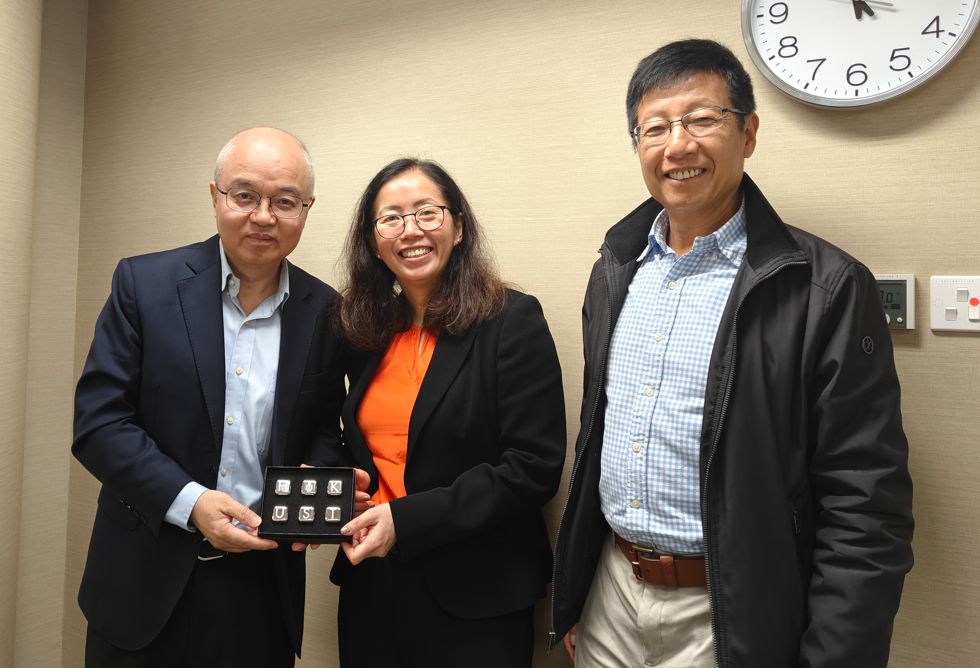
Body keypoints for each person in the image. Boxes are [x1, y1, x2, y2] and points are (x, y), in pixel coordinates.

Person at [551, 39, 914, 667]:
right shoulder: (616, 267)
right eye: (655, 127)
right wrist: (582, 593)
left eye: (701, 119)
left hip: (733, 610)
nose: (677, 145)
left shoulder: (821, 286)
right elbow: (598, 437)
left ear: (747, 132)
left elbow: (865, 504)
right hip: (613, 590)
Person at [72, 127, 365, 666]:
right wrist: (192, 504)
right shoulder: (143, 284)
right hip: (144, 579)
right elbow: (99, 424)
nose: (263, 216)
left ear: (307, 208)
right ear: (215, 197)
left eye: (285, 202)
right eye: (245, 195)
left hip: (261, 587)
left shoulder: (326, 311)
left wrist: (316, 489)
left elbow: (324, 426)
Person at [331, 158, 566, 667]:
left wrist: (406, 519)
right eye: (390, 218)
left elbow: (533, 467)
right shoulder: (365, 331)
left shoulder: (511, 319)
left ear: (458, 227)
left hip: (477, 594)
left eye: (426, 213)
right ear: (374, 242)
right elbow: (355, 441)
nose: (409, 230)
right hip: (373, 585)